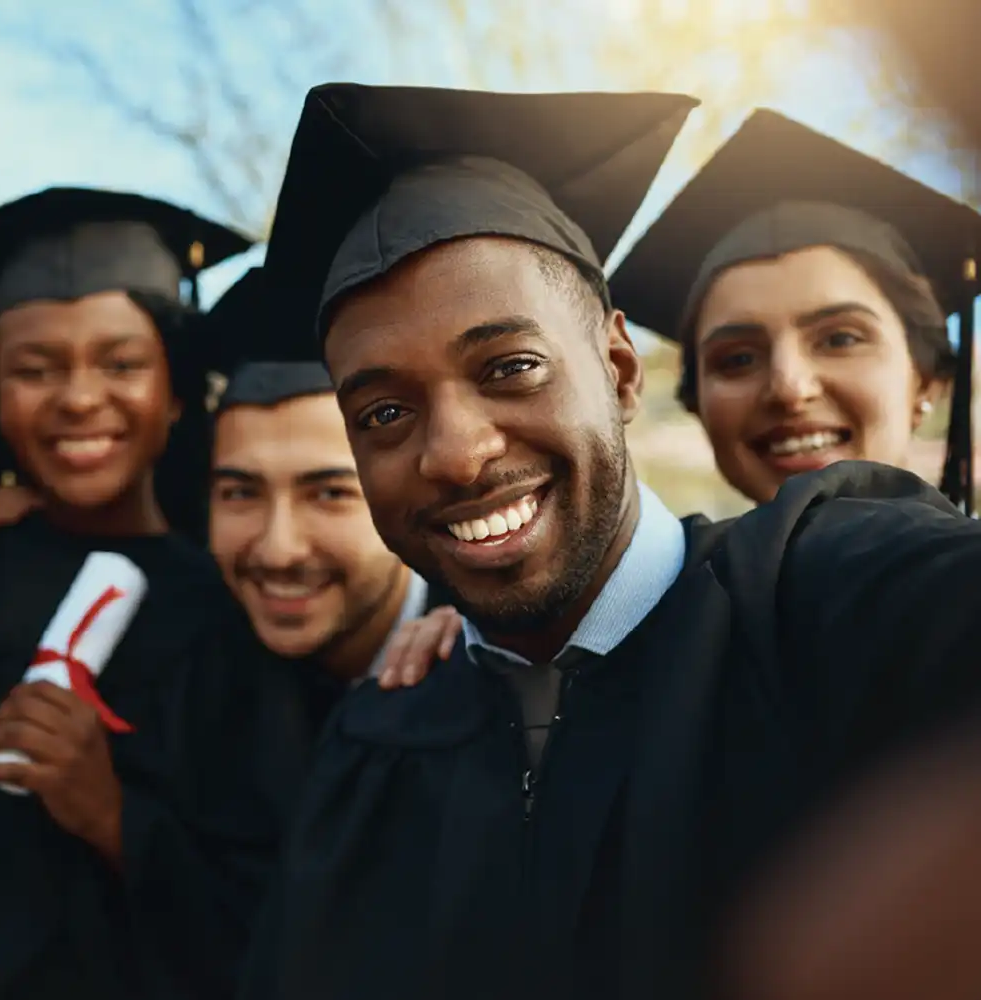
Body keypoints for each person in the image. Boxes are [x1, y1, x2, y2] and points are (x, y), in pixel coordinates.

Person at [241, 82, 981, 1000]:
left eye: (511, 367)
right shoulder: (378, 736)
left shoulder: (818, 592)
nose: (457, 456)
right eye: (384, 411)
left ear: (621, 371)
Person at [0, 186, 283, 1000]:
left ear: (176, 392)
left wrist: (111, 815)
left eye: (122, 364)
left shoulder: (235, 612)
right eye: (33, 369)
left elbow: (264, 914)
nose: (79, 398)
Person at [608, 109, 980, 509]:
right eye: (737, 359)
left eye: (840, 338)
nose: (789, 388)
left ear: (926, 381)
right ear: (697, 403)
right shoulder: (676, 573)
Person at [206, 352, 460, 800]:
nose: (278, 551)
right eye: (241, 493)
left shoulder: (491, 672)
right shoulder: (197, 676)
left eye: (329, 493)